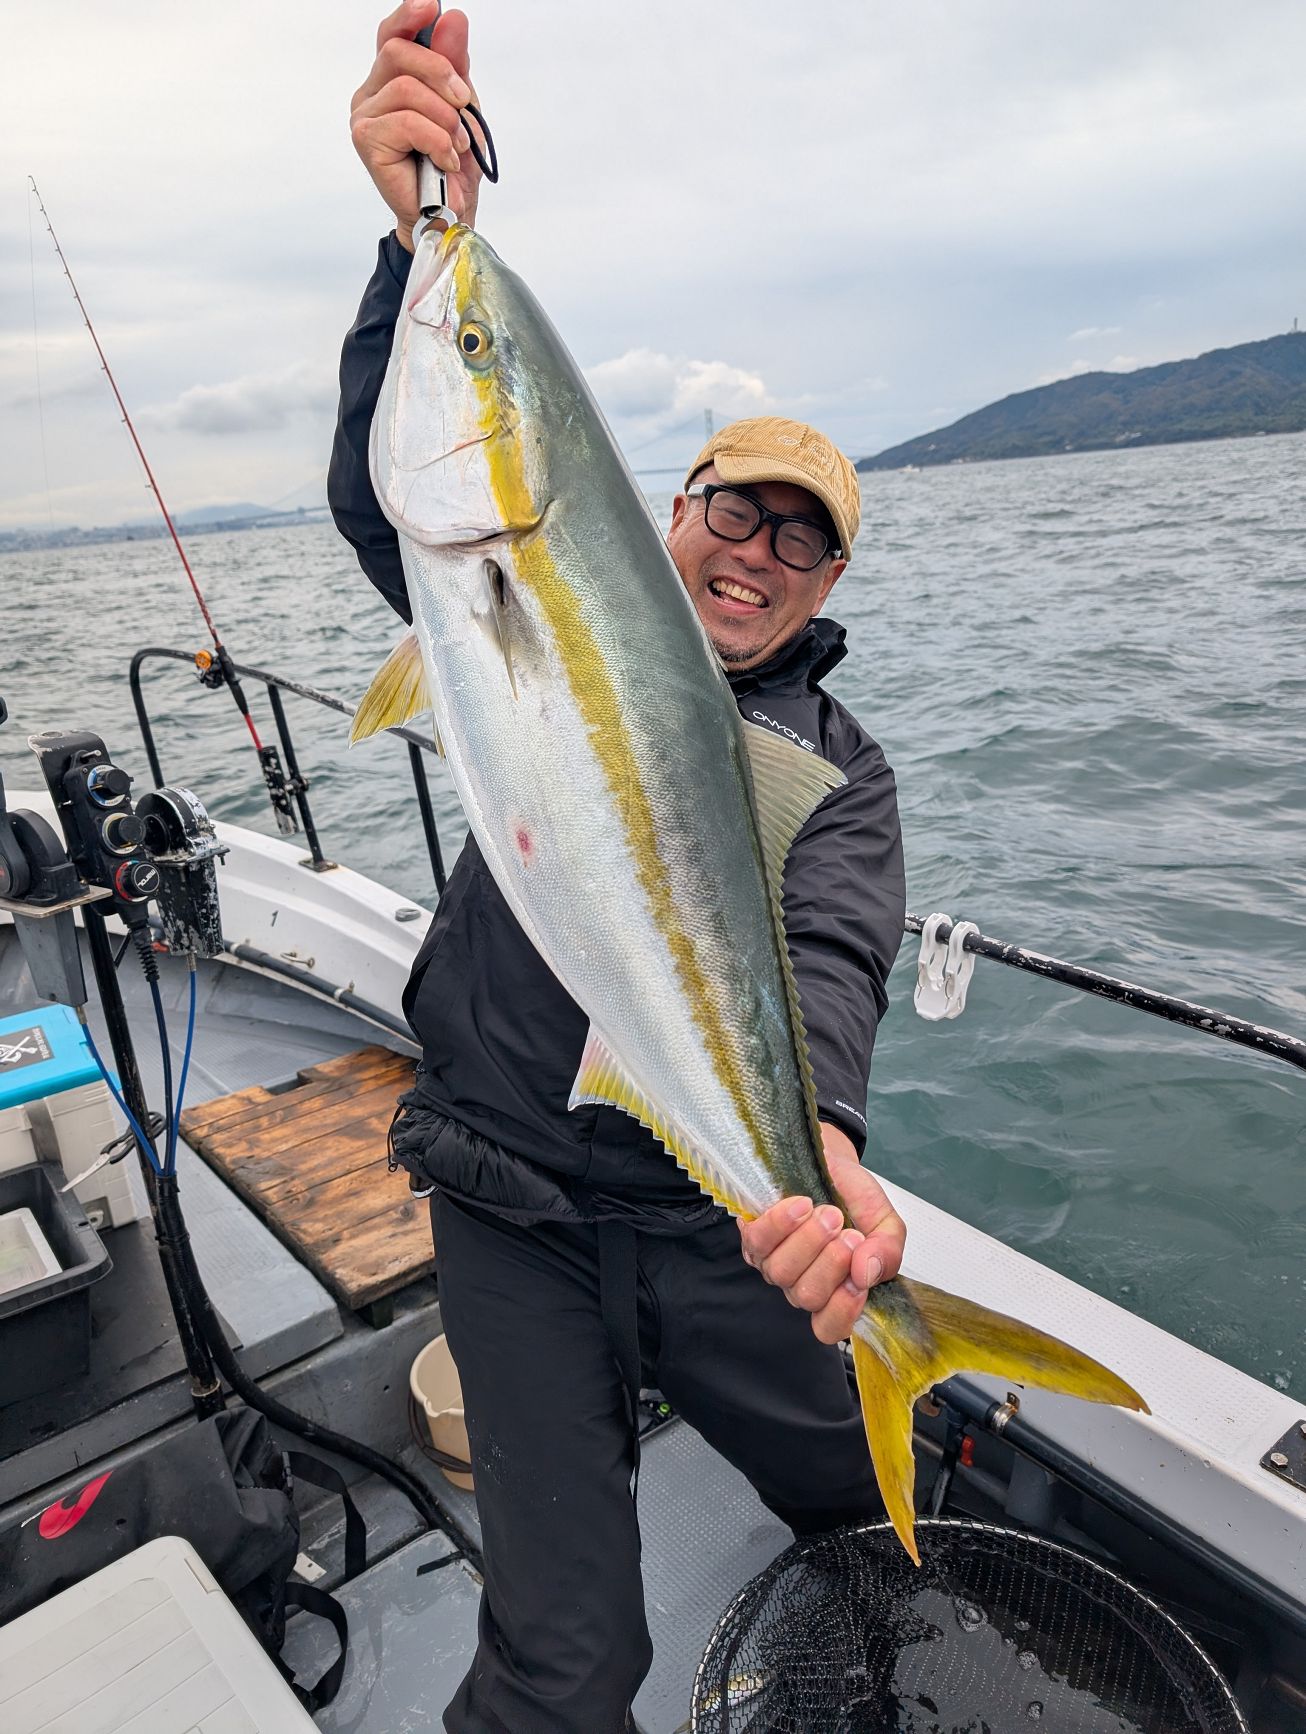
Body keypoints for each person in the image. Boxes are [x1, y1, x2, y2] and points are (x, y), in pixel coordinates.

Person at [332, 8, 908, 1728]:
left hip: (718, 1220)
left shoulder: (834, 772)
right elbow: (395, 493)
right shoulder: (496, 581)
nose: (757, 554)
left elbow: (832, 954)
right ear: (670, 509)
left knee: (874, 1521)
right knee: (567, 1663)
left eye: (801, 541)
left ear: (822, 588)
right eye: (735, 510)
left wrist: (818, 1138)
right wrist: (411, 246)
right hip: (509, 1198)